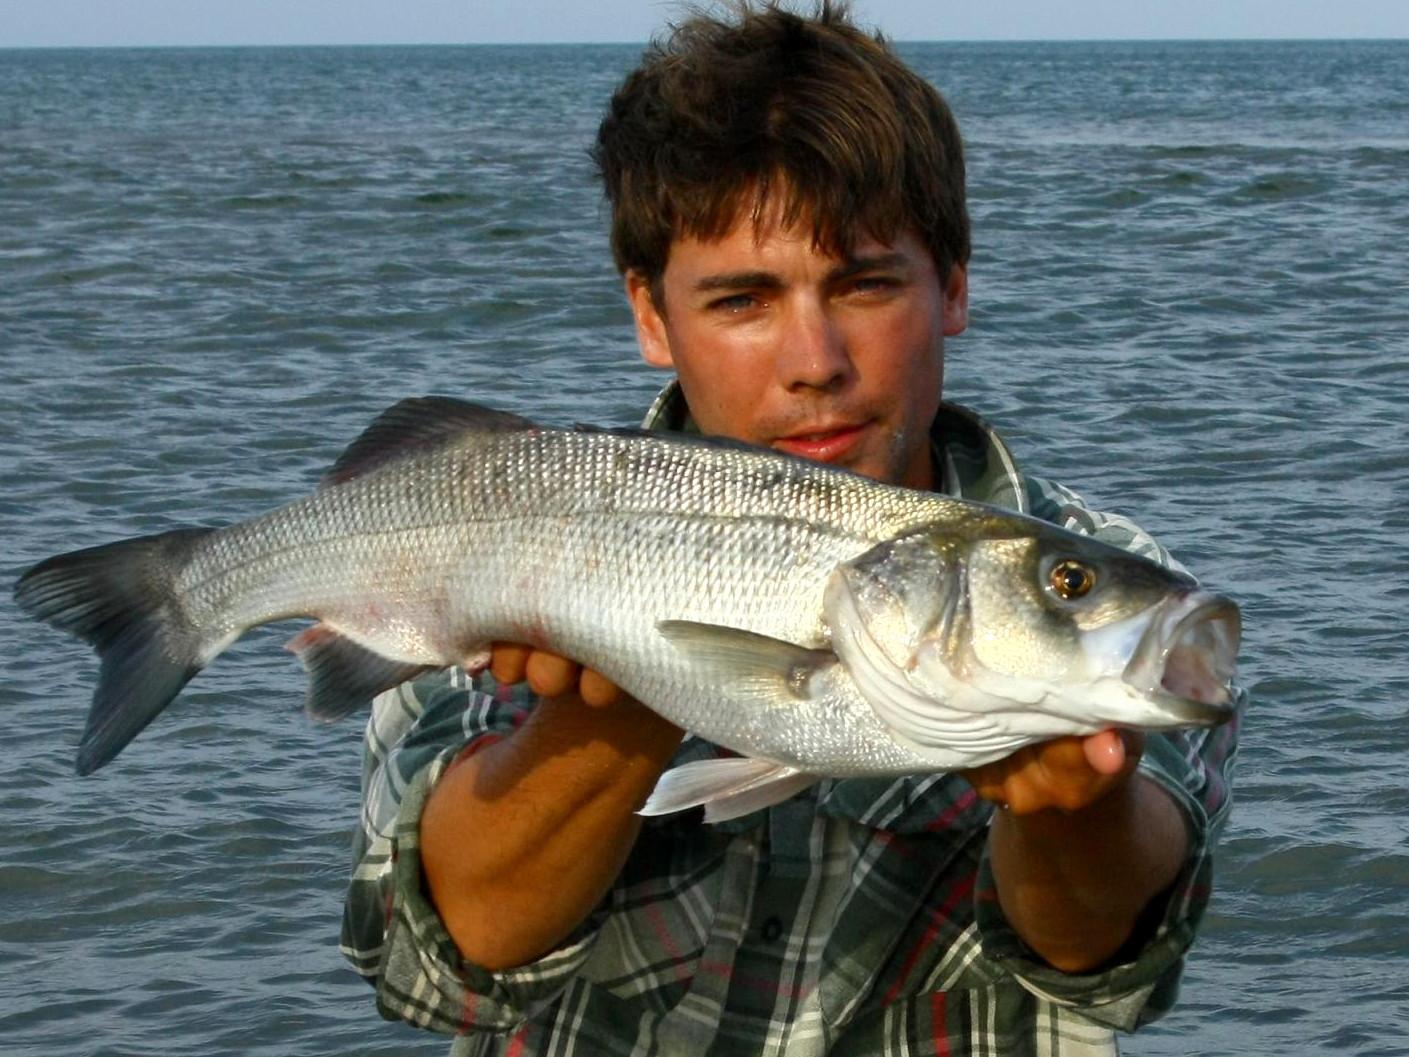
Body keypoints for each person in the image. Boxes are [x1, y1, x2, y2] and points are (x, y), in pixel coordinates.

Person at [341, 3, 1241, 1054]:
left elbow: (1105, 977)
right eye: (741, 300)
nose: (813, 359)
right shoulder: (494, 527)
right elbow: (443, 967)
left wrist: (1073, 809)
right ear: (647, 313)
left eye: (863, 284)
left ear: (950, 284)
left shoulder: (1111, 582)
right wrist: (619, 696)